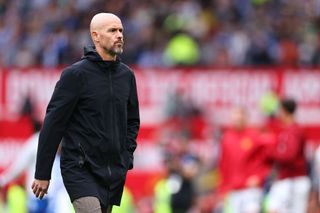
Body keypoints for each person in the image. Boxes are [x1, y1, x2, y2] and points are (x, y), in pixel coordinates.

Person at [31, 13, 140, 213]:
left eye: (121, 30)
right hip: (80, 169)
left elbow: (132, 121)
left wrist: (126, 157)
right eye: (112, 30)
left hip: (113, 171)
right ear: (95, 36)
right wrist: (42, 173)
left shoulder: (127, 76)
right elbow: (53, 124)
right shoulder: (75, 75)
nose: (119, 35)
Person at [218, 107, 270, 213]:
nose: (237, 119)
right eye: (235, 116)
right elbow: (224, 164)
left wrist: (259, 177)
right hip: (233, 189)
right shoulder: (227, 138)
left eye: (240, 116)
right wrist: (223, 187)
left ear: (245, 118)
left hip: (250, 189)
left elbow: (266, 158)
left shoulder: (254, 136)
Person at [265, 98, 310, 213]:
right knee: (272, 208)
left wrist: (271, 154)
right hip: (285, 179)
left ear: (284, 111)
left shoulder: (295, 131)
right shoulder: (285, 131)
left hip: (294, 179)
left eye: (279, 110)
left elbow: (290, 155)